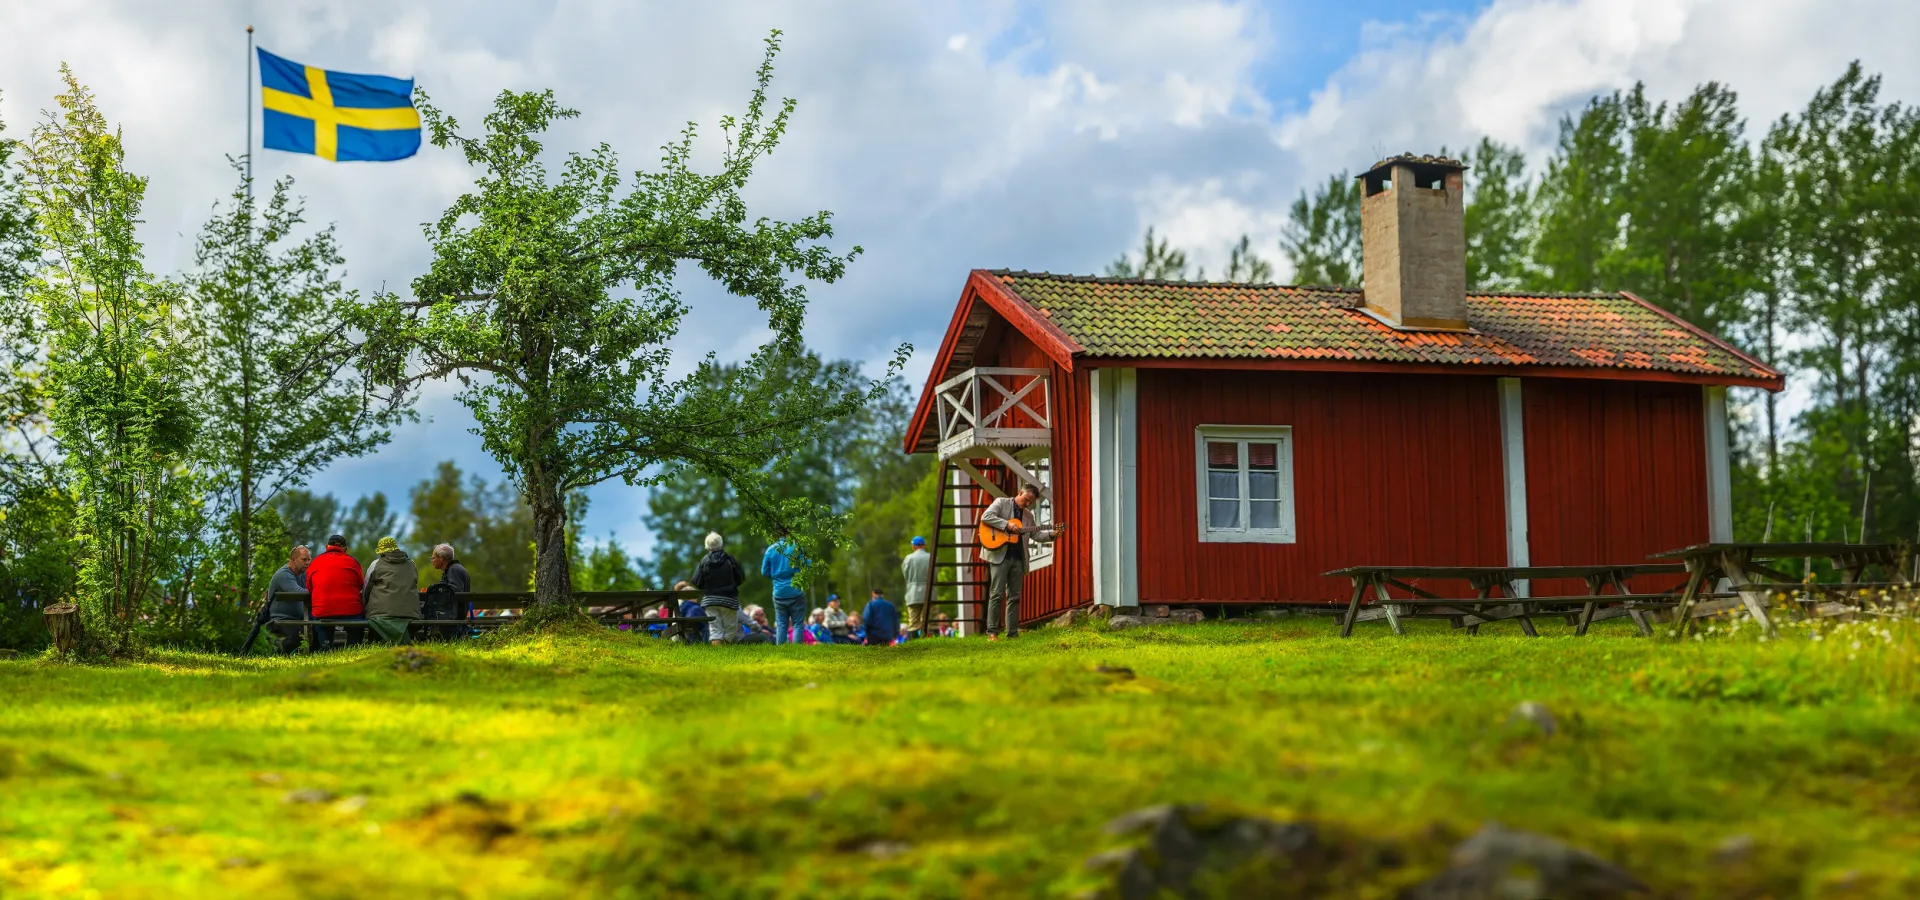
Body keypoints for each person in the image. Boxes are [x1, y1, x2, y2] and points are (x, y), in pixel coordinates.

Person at [980, 483, 1064, 640]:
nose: (1026, 504)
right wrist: (1006, 524)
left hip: (1019, 558)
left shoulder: (1028, 516)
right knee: (996, 594)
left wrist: (1052, 535)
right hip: (1000, 555)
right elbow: (986, 517)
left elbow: (1035, 535)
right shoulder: (1001, 503)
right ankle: (992, 632)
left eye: (1030, 502)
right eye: (1025, 500)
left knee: (1015, 596)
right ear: (1019, 493)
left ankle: (1012, 633)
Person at [305, 534, 367, 650]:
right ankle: (353, 647)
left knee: (319, 618)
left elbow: (309, 587)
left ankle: (325, 646)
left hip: (322, 611)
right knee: (359, 619)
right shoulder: (353, 562)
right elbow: (360, 585)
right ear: (346, 549)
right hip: (350, 611)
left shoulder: (315, 562)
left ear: (326, 547)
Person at [361, 537, 421, 644]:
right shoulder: (412, 563)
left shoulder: (376, 564)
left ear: (382, 551)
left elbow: (366, 589)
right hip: (410, 613)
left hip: (380, 614)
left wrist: (365, 606)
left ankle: (375, 643)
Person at [690, 536, 746, 646]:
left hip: (710, 600)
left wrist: (707, 588)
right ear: (721, 543)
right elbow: (740, 577)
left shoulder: (704, 560)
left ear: (707, 545)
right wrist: (732, 586)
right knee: (730, 629)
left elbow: (696, 581)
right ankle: (724, 653)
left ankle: (718, 654)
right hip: (729, 599)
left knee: (715, 630)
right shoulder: (730, 559)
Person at [264, 546, 314, 655]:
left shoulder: (303, 574)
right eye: (304, 559)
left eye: (309, 559)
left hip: (298, 619)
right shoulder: (284, 574)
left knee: (317, 626)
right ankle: (276, 656)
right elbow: (299, 592)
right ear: (293, 559)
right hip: (280, 619)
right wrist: (319, 592)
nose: (307, 563)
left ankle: (316, 657)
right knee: (301, 634)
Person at [761, 533, 809, 645]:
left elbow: (764, 571)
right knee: (798, 623)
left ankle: (781, 650)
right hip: (796, 590)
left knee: (781, 623)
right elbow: (807, 565)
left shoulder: (770, 549)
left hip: (779, 592)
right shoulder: (797, 547)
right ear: (787, 533)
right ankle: (797, 649)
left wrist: (776, 578)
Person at [901, 536, 932, 638]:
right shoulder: (931, 557)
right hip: (930, 591)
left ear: (913, 546)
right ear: (924, 545)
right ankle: (933, 641)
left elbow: (906, 575)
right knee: (931, 619)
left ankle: (914, 643)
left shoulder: (909, 558)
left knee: (914, 621)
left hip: (913, 592)